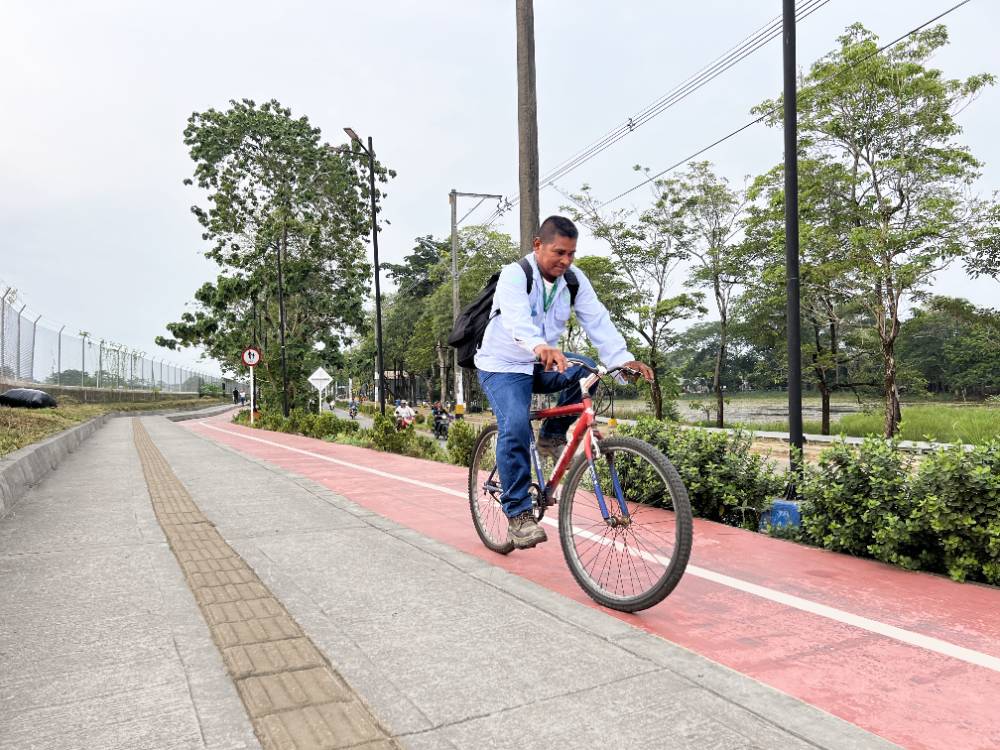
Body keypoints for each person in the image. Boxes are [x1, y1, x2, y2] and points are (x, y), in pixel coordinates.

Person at [475, 215, 654, 550]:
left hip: (543, 363)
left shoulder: (573, 280)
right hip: (504, 366)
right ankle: (518, 515)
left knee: (589, 369)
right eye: (559, 252)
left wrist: (621, 361)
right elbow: (515, 320)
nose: (566, 261)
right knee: (514, 424)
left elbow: (598, 320)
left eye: (572, 254)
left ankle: (553, 436)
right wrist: (539, 345)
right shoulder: (515, 275)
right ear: (537, 245)